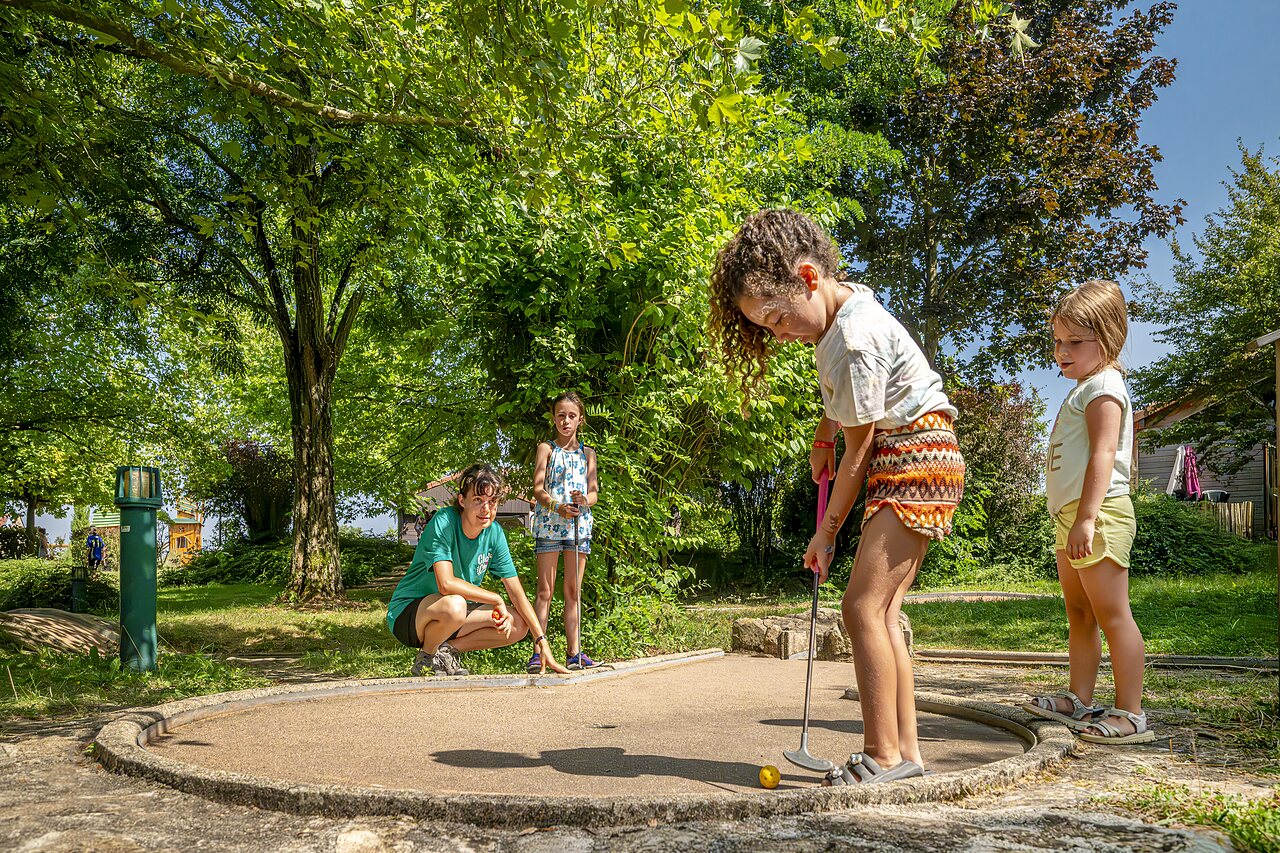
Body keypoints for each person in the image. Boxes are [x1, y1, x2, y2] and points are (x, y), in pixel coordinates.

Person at [708, 209, 965, 784]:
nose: (778, 333)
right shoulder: (843, 311)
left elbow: (860, 452)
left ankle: (881, 754)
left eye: (776, 318)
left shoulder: (850, 339)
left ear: (806, 277)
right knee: (885, 611)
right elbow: (846, 408)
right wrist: (825, 430)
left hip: (913, 458)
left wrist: (826, 532)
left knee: (859, 608)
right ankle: (907, 754)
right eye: (766, 328)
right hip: (923, 455)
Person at [1022, 280, 1154, 744]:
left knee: (1112, 612)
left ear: (1109, 337)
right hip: (1072, 516)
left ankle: (1131, 713)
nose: (1062, 350)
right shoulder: (1083, 387)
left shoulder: (1105, 386)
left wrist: (1087, 518)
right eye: (1058, 341)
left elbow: (1102, 455)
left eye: (1075, 342)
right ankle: (1079, 699)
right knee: (1079, 612)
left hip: (1098, 514)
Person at [386, 463, 569, 677]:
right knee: (455, 604)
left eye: (492, 501)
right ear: (462, 501)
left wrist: (541, 641)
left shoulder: (494, 534)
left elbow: (517, 594)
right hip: (409, 615)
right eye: (478, 500)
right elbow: (446, 584)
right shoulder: (444, 522)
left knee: (517, 623)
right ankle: (427, 658)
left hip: (452, 615)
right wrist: (495, 599)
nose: (486, 509)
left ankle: (447, 651)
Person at [528, 391, 600, 673]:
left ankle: (574, 652)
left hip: (578, 526)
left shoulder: (588, 454)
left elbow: (593, 493)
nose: (566, 421)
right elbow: (537, 489)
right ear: (554, 418)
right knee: (544, 591)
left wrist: (584, 501)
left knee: (573, 590)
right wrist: (557, 506)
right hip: (549, 524)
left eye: (571, 416)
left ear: (580, 419)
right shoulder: (546, 449)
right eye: (561, 415)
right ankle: (539, 652)